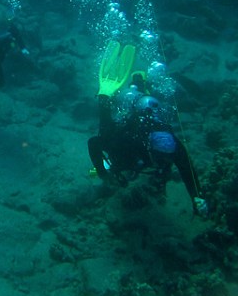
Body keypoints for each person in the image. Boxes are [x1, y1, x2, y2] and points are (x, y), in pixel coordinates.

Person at [88, 80, 207, 216]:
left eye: (168, 158)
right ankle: (104, 98)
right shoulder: (129, 141)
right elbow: (93, 143)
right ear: (150, 148)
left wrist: (196, 197)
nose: (165, 161)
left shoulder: (174, 147)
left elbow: (187, 170)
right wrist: (103, 174)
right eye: (161, 158)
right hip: (127, 138)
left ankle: (137, 82)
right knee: (106, 131)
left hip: (142, 127)